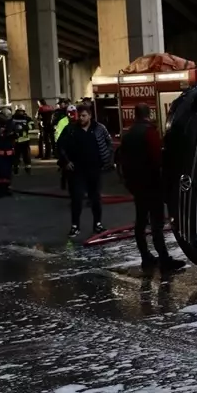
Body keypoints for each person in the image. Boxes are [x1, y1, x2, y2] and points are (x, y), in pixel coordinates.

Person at [119, 103, 186, 271]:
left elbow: (121, 159)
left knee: (141, 222)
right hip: (152, 184)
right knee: (156, 224)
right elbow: (158, 159)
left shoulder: (128, 135)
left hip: (137, 185)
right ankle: (164, 259)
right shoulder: (149, 133)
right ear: (148, 114)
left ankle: (145, 257)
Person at [57, 103, 112, 238]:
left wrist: (107, 159)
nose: (81, 118)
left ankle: (98, 224)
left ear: (90, 116)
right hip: (77, 171)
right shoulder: (71, 130)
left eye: (84, 116)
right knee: (77, 198)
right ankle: (75, 226)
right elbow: (59, 146)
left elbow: (108, 142)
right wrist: (66, 162)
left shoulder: (99, 129)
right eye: (79, 116)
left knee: (96, 198)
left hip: (94, 169)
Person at [54, 104, 77, 191]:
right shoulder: (63, 122)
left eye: (73, 113)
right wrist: (59, 148)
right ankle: (64, 184)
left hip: (73, 148)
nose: (72, 115)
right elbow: (58, 135)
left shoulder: (78, 122)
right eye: (70, 113)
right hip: (65, 148)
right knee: (65, 167)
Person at [11, 106, 35, 175]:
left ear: (24, 111)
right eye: (18, 111)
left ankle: (28, 168)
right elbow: (9, 126)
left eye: (21, 111)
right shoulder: (13, 118)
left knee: (26, 156)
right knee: (16, 156)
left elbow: (32, 126)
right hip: (16, 140)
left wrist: (25, 127)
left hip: (25, 140)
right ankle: (16, 168)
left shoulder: (27, 118)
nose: (20, 112)